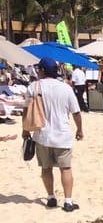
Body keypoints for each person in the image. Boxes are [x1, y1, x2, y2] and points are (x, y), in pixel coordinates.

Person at [25, 58, 84, 212]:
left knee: (46, 168)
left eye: (39, 69)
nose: (38, 71)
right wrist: (79, 129)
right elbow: (76, 112)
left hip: (41, 135)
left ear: (43, 70)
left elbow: (27, 111)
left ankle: (51, 198)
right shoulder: (65, 88)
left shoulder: (33, 87)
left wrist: (25, 130)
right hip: (62, 135)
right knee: (65, 168)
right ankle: (68, 202)